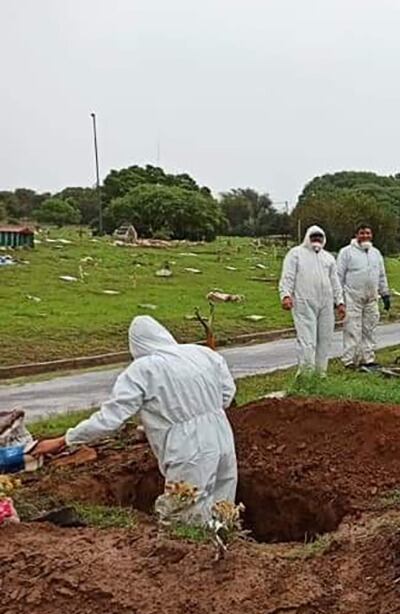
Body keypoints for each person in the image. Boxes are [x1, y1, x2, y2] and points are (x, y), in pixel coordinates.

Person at [33, 316, 237, 525]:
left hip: (187, 445)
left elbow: (110, 420)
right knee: (223, 508)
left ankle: (196, 546)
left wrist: (65, 439)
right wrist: (197, 411)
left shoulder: (144, 369)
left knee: (183, 514)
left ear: (136, 346)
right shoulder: (204, 354)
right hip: (222, 435)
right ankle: (225, 542)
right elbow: (227, 395)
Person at [279, 225, 345, 375]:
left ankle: (320, 374)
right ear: (307, 237)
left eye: (319, 237)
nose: (316, 239)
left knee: (325, 340)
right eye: (313, 236)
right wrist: (285, 295)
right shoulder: (296, 253)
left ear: (324, 239)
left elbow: (335, 282)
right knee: (307, 341)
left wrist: (340, 302)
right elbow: (288, 276)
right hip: (304, 302)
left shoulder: (328, 258)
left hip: (326, 304)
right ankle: (306, 375)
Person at [336, 224, 391, 369]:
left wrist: (385, 294)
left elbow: (381, 275)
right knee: (352, 329)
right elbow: (338, 277)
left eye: (368, 233)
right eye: (362, 233)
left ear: (372, 235)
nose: (365, 236)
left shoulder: (375, 253)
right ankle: (350, 361)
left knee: (369, 329)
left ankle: (368, 359)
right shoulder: (346, 252)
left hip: (371, 298)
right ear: (356, 235)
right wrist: (339, 300)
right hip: (352, 297)